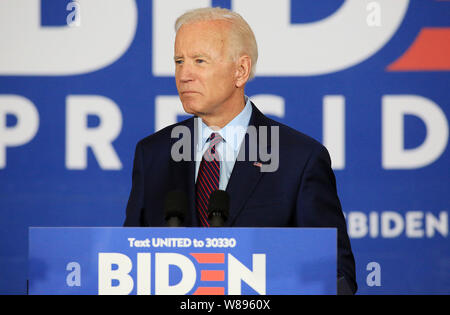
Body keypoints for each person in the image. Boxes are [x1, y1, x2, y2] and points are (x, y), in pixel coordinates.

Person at [124, 7, 357, 294]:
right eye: (179, 61)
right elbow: (129, 264)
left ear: (241, 70)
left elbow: (336, 277)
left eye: (199, 60)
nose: (184, 74)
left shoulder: (299, 159)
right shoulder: (153, 154)